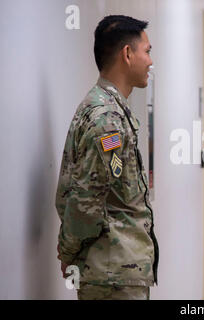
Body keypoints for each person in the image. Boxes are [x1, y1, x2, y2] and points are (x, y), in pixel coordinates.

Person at [55, 15, 158, 300]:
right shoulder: (107, 118)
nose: (150, 61)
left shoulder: (105, 106)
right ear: (128, 54)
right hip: (113, 275)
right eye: (147, 51)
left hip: (115, 270)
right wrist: (68, 251)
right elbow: (86, 201)